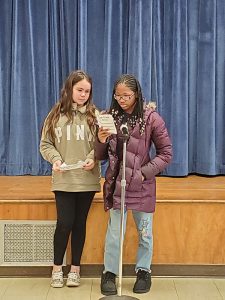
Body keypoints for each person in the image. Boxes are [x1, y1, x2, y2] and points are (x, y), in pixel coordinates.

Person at [95, 74, 172, 295]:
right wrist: (100, 139)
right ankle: (109, 273)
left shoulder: (151, 119)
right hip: (117, 186)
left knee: (145, 233)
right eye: (117, 95)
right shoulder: (108, 117)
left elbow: (166, 154)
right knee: (114, 234)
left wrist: (142, 174)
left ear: (136, 94)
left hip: (142, 187)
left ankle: (143, 271)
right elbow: (100, 155)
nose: (121, 99)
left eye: (126, 95)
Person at [40, 70, 101, 288]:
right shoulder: (55, 114)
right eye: (79, 90)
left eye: (87, 91)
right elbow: (45, 144)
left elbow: (102, 145)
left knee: (79, 224)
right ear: (69, 89)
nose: (83, 94)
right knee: (64, 223)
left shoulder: (95, 115)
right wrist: (55, 159)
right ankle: (57, 268)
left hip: (87, 179)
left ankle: (75, 269)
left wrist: (93, 158)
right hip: (64, 179)